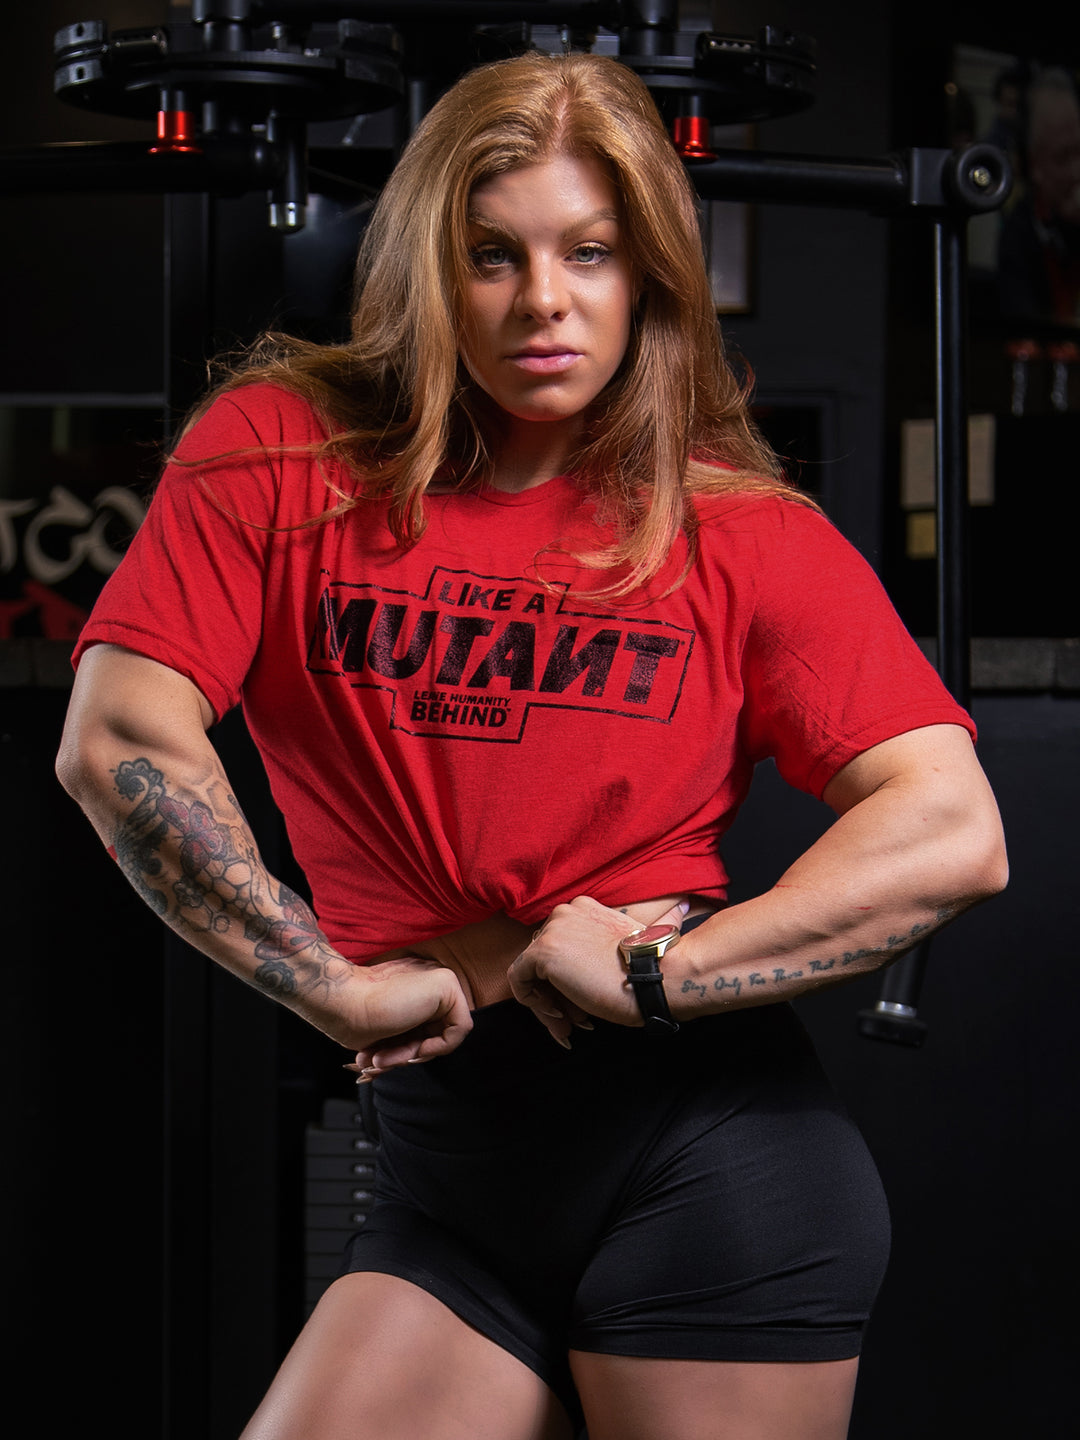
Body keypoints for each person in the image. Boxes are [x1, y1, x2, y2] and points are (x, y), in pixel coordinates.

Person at [56, 49, 1007, 1440]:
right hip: (449, 1171)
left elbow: (952, 830)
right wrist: (328, 986)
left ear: (652, 277)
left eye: (593, 253)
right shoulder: (275, 454)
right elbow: (120, 740)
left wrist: (658, 975)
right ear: (430, 268)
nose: (543, 300)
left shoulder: (739, 531)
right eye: (492, 253)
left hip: (710, 1163)